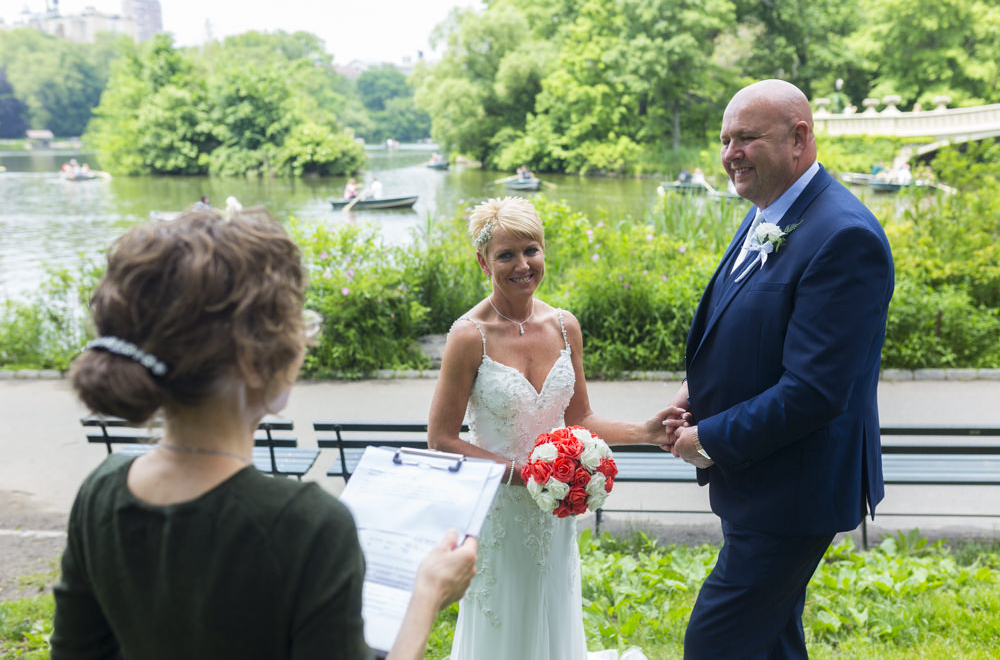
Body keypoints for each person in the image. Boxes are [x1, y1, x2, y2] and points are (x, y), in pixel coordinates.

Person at [51, 210, 478, 660]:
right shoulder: (306, 525)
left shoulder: (100, 491)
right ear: (255, 360)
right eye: (298, 322)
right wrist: (427, 594)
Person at [665, 79, 894, 658]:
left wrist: (709, 439)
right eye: (724, 140)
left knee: (714, 642)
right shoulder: (771, 209)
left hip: (795, 490)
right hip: (760, 481)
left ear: (799, 139)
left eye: (746, 138)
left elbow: (815, 390)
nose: (729, 154)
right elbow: (755, 331)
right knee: (769, 641)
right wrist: (698, 391)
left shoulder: (843, 236)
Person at [427, 196, 682, 660]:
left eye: (532, 250)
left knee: (553, 609)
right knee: (505, 618)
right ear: (483, 261)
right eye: (506, 254)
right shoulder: (469, 336)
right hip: (503, 509)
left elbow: (580, 420)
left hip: (556, 510)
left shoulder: (565, 326)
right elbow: (442, 440)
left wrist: (646, 431)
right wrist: (529, 476)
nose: (522, 264)